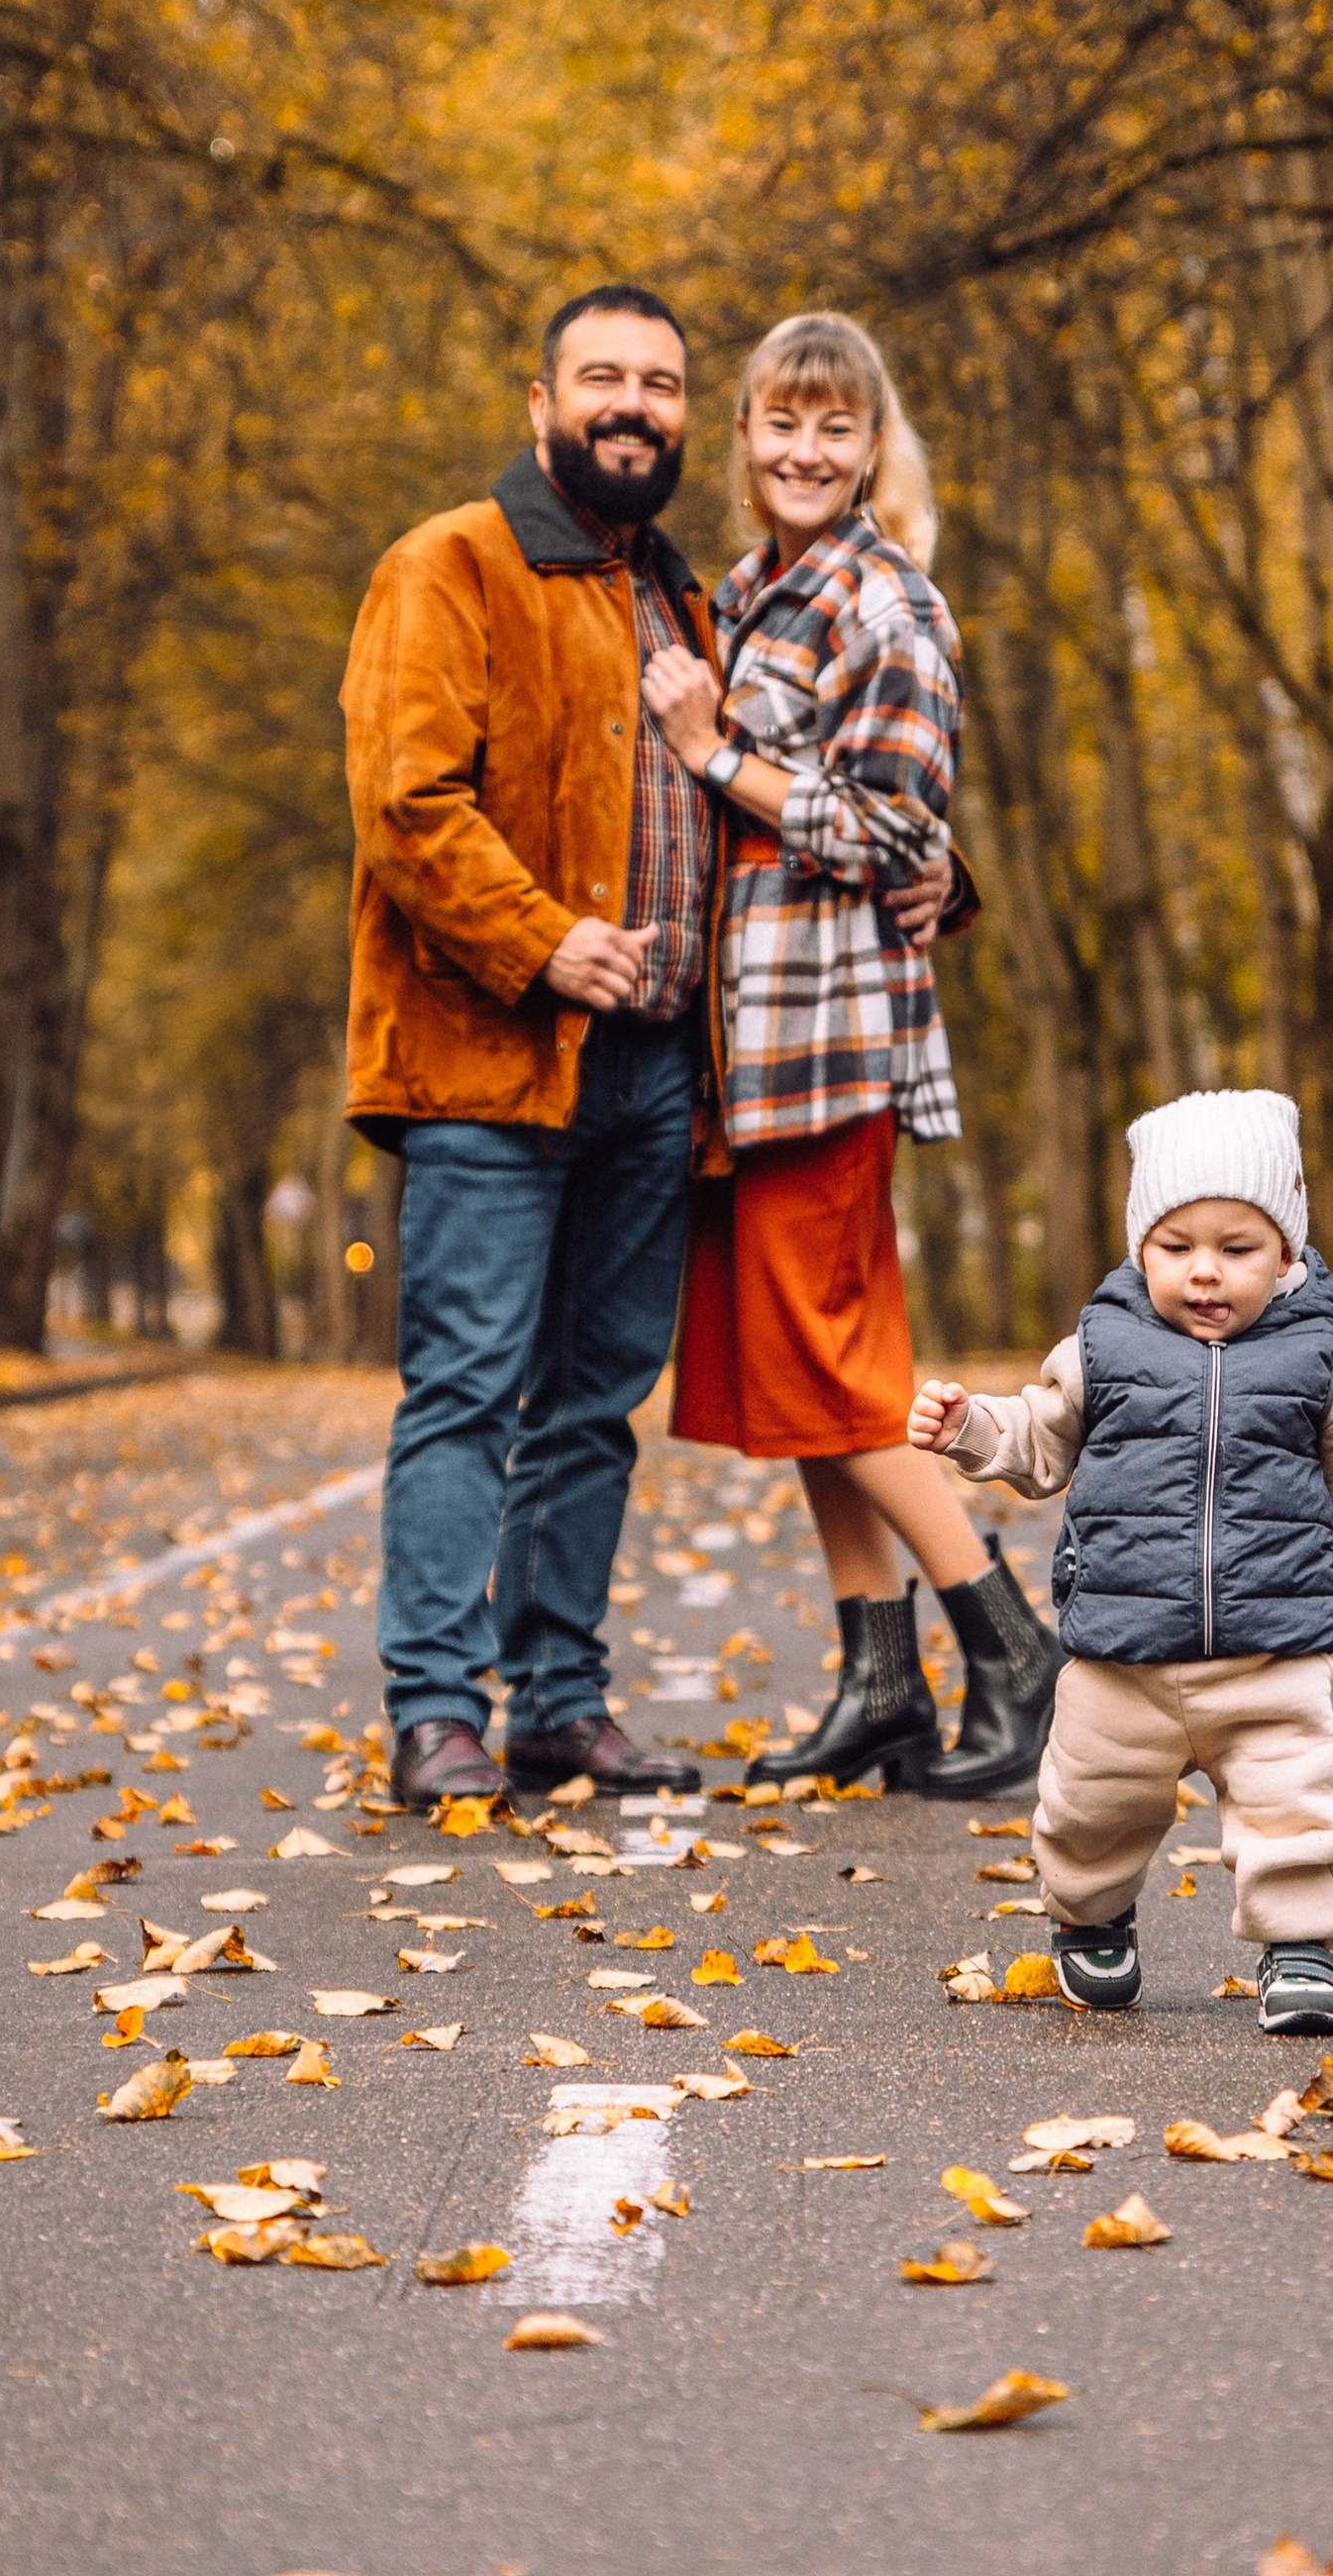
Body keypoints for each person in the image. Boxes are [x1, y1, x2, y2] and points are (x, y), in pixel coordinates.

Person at [340, 283, 951, 1813]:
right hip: (490, 1060)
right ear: (539, 402)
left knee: (594, 1402)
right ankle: (435, 1708)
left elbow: (815, 790)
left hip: (664, 1073)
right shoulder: (451, 566)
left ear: (692, 418)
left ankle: (558, 1700)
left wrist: (948, 875)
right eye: (602, 378)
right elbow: (409, 807)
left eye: (661, 383)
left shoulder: (687, 594)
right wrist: (542, 940)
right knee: (469, 1387)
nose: (633, 404)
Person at [638, 311, 1062, 1801]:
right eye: (780, 424)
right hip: (742, 1057)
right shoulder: (745, 593)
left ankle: (1016, 1651)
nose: (805, 451)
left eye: (836, 427)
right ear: (743, 438)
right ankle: (882, 1680)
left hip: (827, 1048)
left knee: (835, 1369)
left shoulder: (888, 603)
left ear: (875, 446)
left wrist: (715, 758)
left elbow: (895, 832)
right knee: (813, 1376)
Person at [909, 1085, 1333, 2026]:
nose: (1205, 1273)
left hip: (1272, 1654)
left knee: (1295, 1807)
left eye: (1236, 1249)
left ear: (1285, 1255)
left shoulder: (1325, 1363)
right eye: (1176, 1247)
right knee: (1087, 1811)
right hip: (1122, 1654)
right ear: (1137, 1249)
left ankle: (1301, 1952)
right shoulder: (1098, 1350)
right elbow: (1036, 1442)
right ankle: (1093, 1925)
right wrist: (966, 1427)